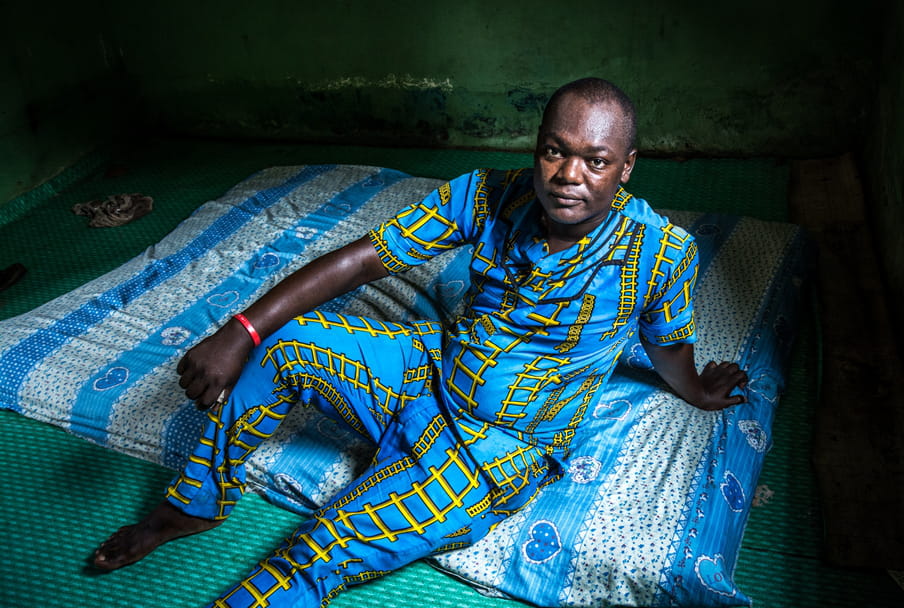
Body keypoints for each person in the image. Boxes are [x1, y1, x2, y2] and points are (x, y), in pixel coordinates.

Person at [92, 77, 747, 607]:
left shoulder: (660, 253)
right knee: (284, 344)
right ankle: (194, 506)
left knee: (317, 551)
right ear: (537, 146)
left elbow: (666, 344)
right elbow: (363, 260)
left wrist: (693, 386)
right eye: (555, 149)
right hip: (425, 370)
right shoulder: (489, 195)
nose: (569, 175)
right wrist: (241, 331)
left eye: (596, 161)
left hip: (490, 452)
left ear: (625, 167)